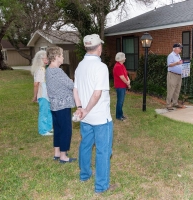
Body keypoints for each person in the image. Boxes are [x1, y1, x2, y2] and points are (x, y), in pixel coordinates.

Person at [73, 34, 116, 194]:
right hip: (100, 117)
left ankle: (84, 175)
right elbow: (97, 93)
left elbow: (75, 89)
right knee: (103, 150)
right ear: (99, 47)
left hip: (85, 117)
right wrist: (86, 109)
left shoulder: (80, 66)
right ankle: (101, 186)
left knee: (85, 144)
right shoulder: (101, 67)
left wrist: (80, 108)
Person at [45, 47, 76, 163]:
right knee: (66, 130)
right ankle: (63, 156)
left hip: (54, 105)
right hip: (62, 105)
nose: (63, 57)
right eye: (62, 55)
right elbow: (70, 84)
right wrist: (72, 81)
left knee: (57, 129)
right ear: (56, 57)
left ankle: (57, 152)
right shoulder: (57, 71)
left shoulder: (48, 70)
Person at [30, 50, 53, 136]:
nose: (48, 59)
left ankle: (48, 128)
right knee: (44, 112)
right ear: (41, 59)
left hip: (47, 94)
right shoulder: (40, 70)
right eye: (46, 58)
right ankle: (43, 131)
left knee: (49, 111)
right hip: (43, 95)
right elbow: (36, 84)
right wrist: (35, 96)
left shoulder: (43, 69)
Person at [113, 52, 131, 121]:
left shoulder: (122, 65)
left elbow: (125, 75)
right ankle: (118, 116)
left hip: (123, 86)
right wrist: (128, 83)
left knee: (121, 101)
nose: (125, 58)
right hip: (120, 86)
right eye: (124, 57)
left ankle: (121, 114)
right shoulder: (118, 66)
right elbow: (122, 77)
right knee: (120, 101)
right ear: (121, 59)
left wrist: (128, 80)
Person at [166, 43, 184, 110]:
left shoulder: (178, 55)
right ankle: (168, 104)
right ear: (175, 49)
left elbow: (179, 64)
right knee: (171, 89)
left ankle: (175, 103)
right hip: (173, 75)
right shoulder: (171, 55)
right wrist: (177, 63)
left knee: (177, 89)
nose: (181, 49)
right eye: (180, 48)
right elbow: (169, 65)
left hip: (179, 75)